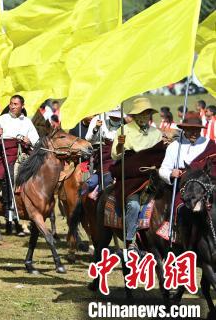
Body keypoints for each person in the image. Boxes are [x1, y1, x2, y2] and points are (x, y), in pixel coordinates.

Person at [109, 97, 164, 253]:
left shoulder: (156, 133)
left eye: (147, 113)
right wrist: (120, 145)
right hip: (131, 176)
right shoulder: (124, 130)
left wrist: (156, 165)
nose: (144, 116)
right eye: (141, 113)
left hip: (152, 176)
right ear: (134, 115)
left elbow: (159, 154)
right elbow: (115, 155)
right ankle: (130, 240)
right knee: (133, 205)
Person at [0, 94, 39, 235]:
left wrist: (29, 140)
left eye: (16, 104)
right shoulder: (2, 119)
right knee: (9, 173)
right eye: (11, 103)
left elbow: (37, 141)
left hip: (23, 153)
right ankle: (8, 206)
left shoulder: (27, 121)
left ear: (22, 106)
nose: (12, 106)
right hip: (6, 153)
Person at [159, 112, 216, 187]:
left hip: (203, 186)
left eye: (197, 129)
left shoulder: (209, 144)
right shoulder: (174, 146)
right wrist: (171, 174)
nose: (194, 133)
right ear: (184, 129)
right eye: (191, 130)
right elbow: (163, 169)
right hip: (181, 185)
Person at [84, 109, 122, 197]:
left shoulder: (125, 126)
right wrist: (96, 128)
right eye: (114, 117)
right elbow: (89, 139)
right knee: (90, 183)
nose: (116, 119)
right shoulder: (98, 119)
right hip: (100, 156)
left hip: (117, 158)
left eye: (118, 118)